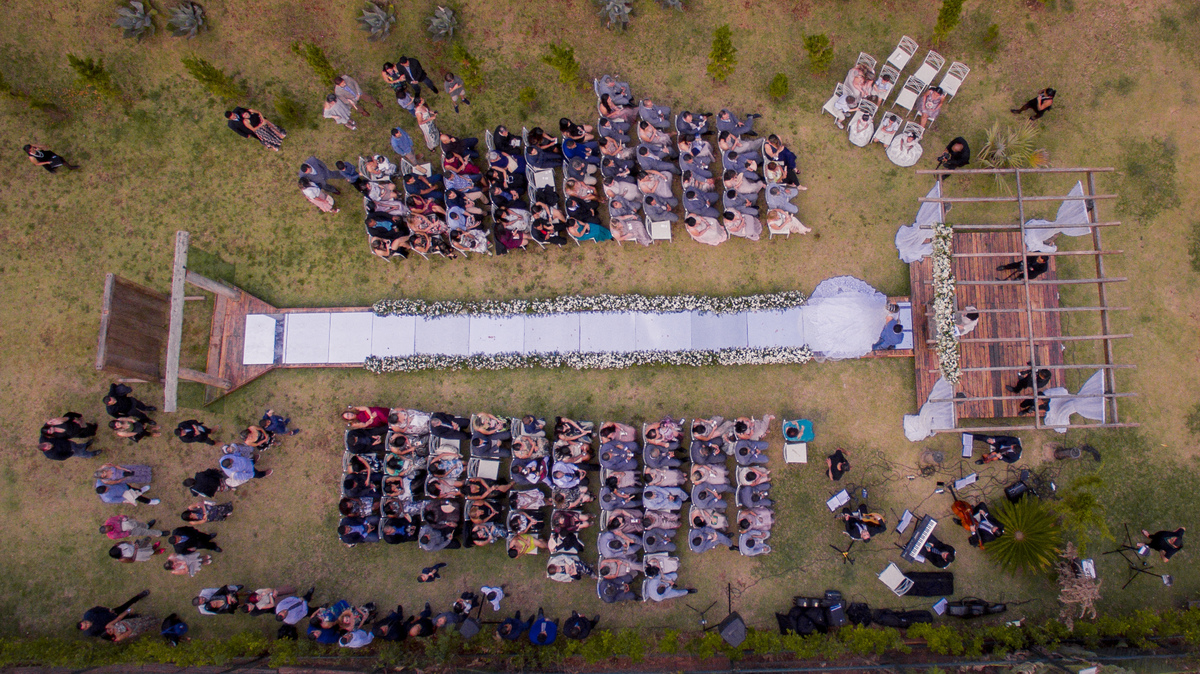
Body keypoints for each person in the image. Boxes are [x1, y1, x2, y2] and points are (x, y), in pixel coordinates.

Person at [79, 590, 151, 639]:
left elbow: (98, 608)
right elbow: (101, 634)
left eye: (85, 622)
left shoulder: (89, 614)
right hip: (114, 623)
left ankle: (141, 595)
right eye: (86, 626)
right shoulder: (91, 632)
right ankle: (136, 616)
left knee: (126, 605)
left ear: (83, 620)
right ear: (86, 629)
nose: (87, 624)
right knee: (127, 620)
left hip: (112, 613)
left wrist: (108, 610)